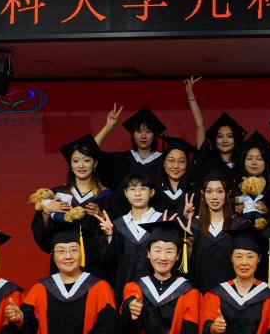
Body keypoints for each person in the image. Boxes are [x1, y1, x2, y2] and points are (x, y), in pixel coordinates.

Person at [30, 134, 115, 280]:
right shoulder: (56, 194)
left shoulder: (108, 196)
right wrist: (47, 211)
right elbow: (42, 237)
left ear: (95, 164)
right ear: (70, 164)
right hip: (64, 262)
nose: (81, 166)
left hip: (96, 263)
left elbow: (116, 235)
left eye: (86, 160)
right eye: (76, 161)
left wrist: (101, 215)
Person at [94, 171, 169, 301]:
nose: (137, 193)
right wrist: (110, 236)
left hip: (157, 293)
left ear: (151, 192)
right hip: (124, 292)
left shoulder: (163, 221)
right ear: (126, 193)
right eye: (132, 189)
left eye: (143, 189)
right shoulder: (116, 226)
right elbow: (108, 263)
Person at [184, 165, 248, 291]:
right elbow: (185, 268)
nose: (214, 197)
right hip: (199, 293)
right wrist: (188, 249)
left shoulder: (240, 226)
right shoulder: (193, 226)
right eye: (209, 191)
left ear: (228, 194)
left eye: (219, 191)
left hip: (231, 295)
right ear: (202, 194)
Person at [93, 104, 167, 193]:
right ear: (133, 135)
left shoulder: (165, 162)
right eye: (138, 131)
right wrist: (109, 126)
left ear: (155, 135)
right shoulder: (119, 160)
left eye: (148, 131)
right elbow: (89, 150)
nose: (143, 136)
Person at [233, 132, 270, 222]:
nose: (254, 162)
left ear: (266, 162)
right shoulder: (235, 188)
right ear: (243, 162)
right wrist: (236, 211)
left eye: (259, 159)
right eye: (249, 158)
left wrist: (267, 212)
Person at [154, 136, 197, 224]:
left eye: (181, 161)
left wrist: (187, 219)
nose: (176, 166)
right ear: (164, 163)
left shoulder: (194, 192)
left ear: (187, 164)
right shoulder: (154, 191)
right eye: (171, 160)